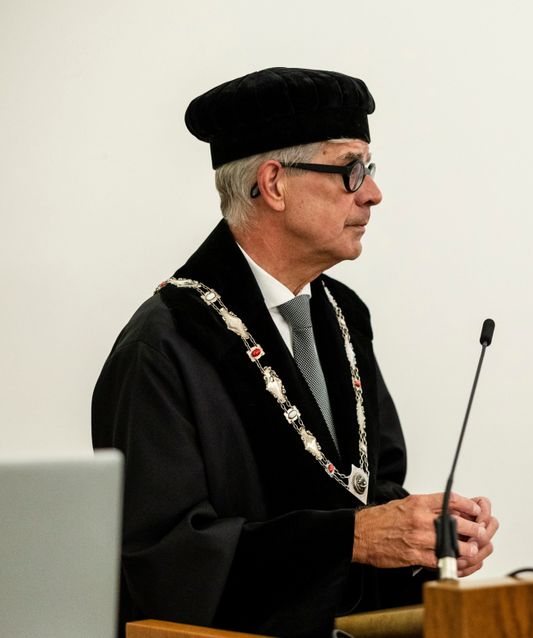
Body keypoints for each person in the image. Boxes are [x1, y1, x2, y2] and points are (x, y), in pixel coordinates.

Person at [92, 67, 498, 638]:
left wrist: (425, 539)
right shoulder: (164, 347)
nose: (374, 193)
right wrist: (353, 538)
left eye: (370, 170)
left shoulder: (343, 316)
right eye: (351, 170)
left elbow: (372, 489)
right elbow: (165, 563)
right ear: (275, 183)